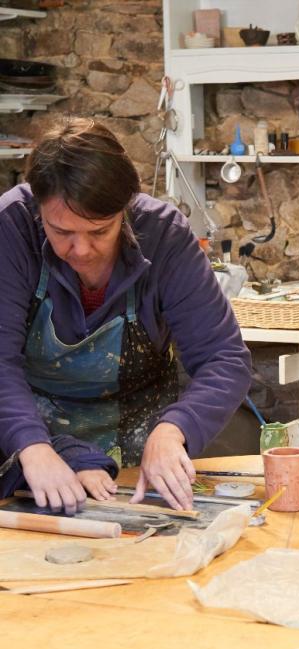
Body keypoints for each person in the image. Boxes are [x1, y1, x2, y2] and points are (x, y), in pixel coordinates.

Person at [0, 117, 252, 512]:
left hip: (145, 456)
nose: (80, 250)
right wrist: (33, 447)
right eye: (61, 231)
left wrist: (174, 431)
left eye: (99, 231)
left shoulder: (164, 235)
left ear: (125, 210)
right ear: (38, 207)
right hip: (37, 446)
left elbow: (224, 358)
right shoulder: (10, 228)